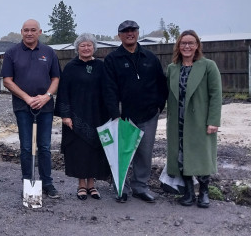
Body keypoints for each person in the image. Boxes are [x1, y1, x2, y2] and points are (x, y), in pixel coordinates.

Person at [103, 20, 169, 203]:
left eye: (133, 30)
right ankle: (121, 188)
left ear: (138, 33)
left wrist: (158, 106)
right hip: (124, 116)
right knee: (123, 154)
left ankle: (140, 186)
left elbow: (161, 84)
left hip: (148, 114)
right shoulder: (112, 59)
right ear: (119, 35)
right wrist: (115, 114)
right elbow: (108, 89)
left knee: (144, 153)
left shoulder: (150, 57)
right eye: (125, 31)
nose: (129, 33)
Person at [1, 19, 61, 198]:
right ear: (21, 32)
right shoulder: (12, 53)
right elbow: (7, 80)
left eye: (33, 30)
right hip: (22, 107)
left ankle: (47, 183)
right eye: (26, 30)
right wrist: (27, 98)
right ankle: (27, 181)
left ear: (39, 32)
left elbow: (56, 79)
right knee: (27, 147)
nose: (29, 33)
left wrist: (46, 97)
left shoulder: (49, 52)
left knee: (44, 146)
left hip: (45, 107)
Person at [166, 30, 222, 208]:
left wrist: (213, 120)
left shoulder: (208, 66)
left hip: (200, 120)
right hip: (178, 120)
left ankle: (204, 192)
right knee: (181, 156)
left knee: (202, 155)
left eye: (191, 43)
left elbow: (216, 95)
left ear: (197, 45)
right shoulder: (172, 68)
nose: (187, 46)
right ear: (178, 46)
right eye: (183, 43)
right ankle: (189, 192)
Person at [55, 33, 110, 200]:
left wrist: (111, 113)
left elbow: (108, 90)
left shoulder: (101, 66)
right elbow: (63, 92)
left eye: (89, 45)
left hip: (97, 114)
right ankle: (81, 185)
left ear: (94, 47)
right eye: (82, 45)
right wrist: (65, 116)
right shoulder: (71, 67)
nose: (86, 48)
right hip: (76, 116)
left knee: (95, 150)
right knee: (79, 151)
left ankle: (92, 185)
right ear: (77, 48)